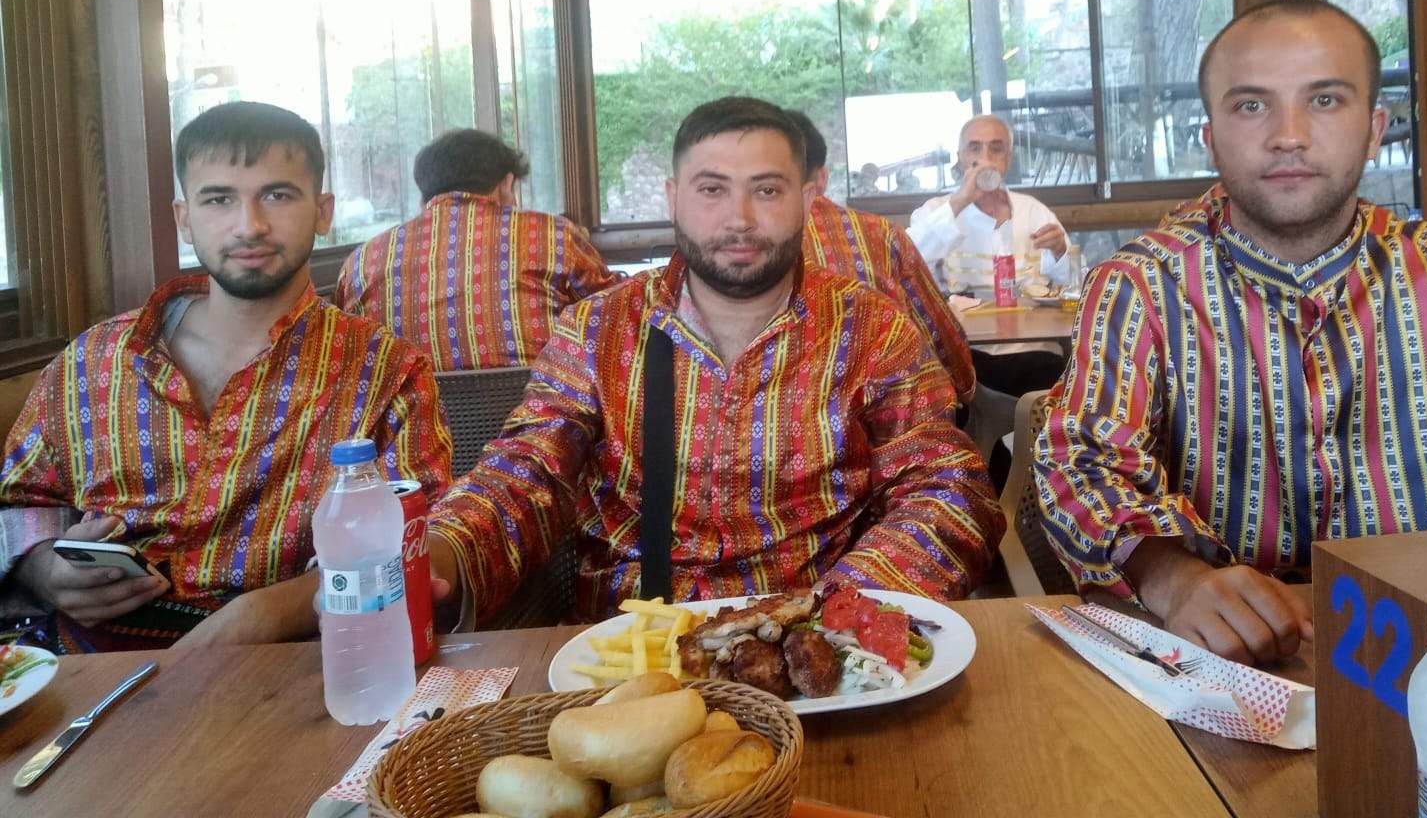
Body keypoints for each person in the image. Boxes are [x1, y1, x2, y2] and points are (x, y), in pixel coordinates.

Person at [1034, 0, 1427, 665]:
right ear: (1211, 137)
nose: (1289, 135)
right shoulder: (1141, 287)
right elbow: (1080, 463)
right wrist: (1173, 578)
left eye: (1325, 100)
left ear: (1374, 129)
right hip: (1225, 671)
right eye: (1252, 105)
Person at [426, 97, 1002, 624]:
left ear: (807, 200)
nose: (739, 218)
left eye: (767, 190)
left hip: (818, 644)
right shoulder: (596, 331)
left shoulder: (872, 329)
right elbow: (527, 469)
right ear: (673, 197)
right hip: (634, 654)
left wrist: (840, 613)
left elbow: (946, 486)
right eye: (711, 190)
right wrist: (443, 550)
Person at [0, 102, 451, 653]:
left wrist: (275, 610)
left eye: (277, 195)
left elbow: (419, 538)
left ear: (322, 211)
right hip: (89, 670)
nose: (249, 225)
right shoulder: (94, 361)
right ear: (184, 218)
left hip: (290, 667)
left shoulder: (385, 371)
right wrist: (44, 569)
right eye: (218, 199)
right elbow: (21, 502)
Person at [335, 129, 620, 370]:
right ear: (506, 184)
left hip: (416, 419)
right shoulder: (552, 235)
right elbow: (618, 315)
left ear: (424, 199)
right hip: (538, 416)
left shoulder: (362, 262)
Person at [785, 110, 975, 404]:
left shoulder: (731, 252)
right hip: (892, 414)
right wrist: (966, 388)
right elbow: (941, 337)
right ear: (822, 177)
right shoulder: (880, 235)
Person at [907, 113, 1077, 395]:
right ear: (960, 157)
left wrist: (1059, 251)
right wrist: (961, 199)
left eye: (995, 148)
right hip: (965, 352)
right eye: (974, 148)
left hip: (1034, 348)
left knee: (1053, 377)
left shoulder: (1033, 211)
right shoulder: (935, 210)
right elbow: (907, 260)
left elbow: (1073, 283)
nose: (984, 158)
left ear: (1008, 158)